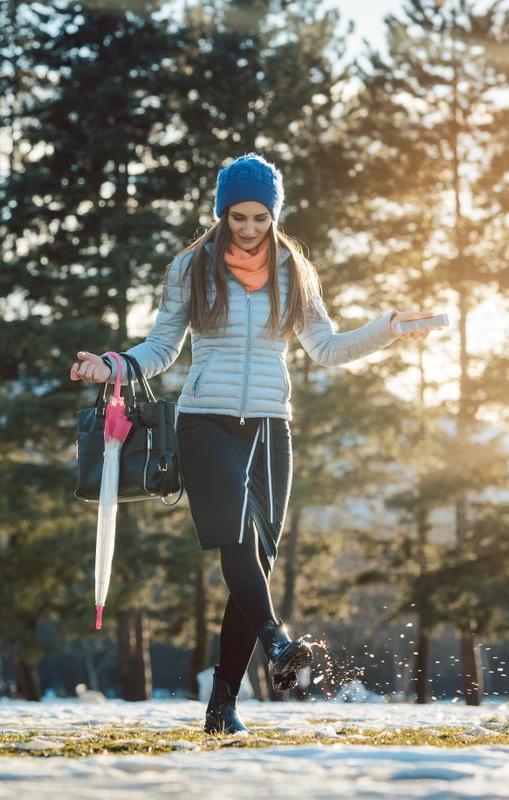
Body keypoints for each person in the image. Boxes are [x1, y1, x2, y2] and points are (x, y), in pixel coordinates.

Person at [70, 153, 439, 734]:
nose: (247, 228)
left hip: (271, 425)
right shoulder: (191, 268)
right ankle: (276, 642)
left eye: (259, 218)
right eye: (237, 217)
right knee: (236, 539)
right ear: (221, 214)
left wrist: (388, 329)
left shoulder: (295, 272)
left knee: (257, 562)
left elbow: (326, 348)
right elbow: (161, 348)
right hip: (205, 420)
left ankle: (222, 708)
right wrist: (111, 365)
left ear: (274, 214)